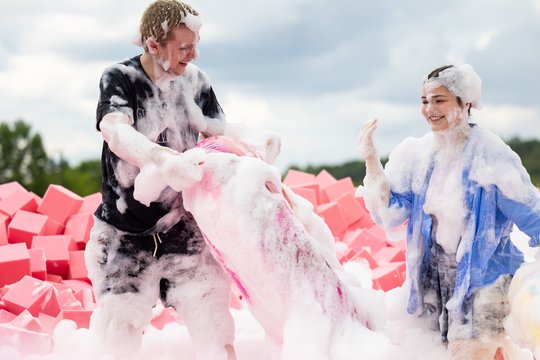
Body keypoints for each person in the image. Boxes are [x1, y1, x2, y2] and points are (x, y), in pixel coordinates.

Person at [84, 1, 236, 358]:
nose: (194, 54)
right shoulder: (121, 79)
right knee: (116, 334)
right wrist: (160, 159)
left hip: (184, 229)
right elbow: (115, 132)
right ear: (153, 45)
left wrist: (255, 152)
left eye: (196, 43)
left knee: (215, 326)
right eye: (185, 47)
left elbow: (220, 137)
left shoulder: (197, 83)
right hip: (124, 232)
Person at [357, 64, 540, 359]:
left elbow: (533, 215)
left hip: (484, 285)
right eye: (424, 100)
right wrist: (372, 164)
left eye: (439, 100)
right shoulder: (417, 155)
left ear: (465, 102)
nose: (430, 109)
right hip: (432, 285)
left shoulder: (491, 155)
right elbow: (391, 214)